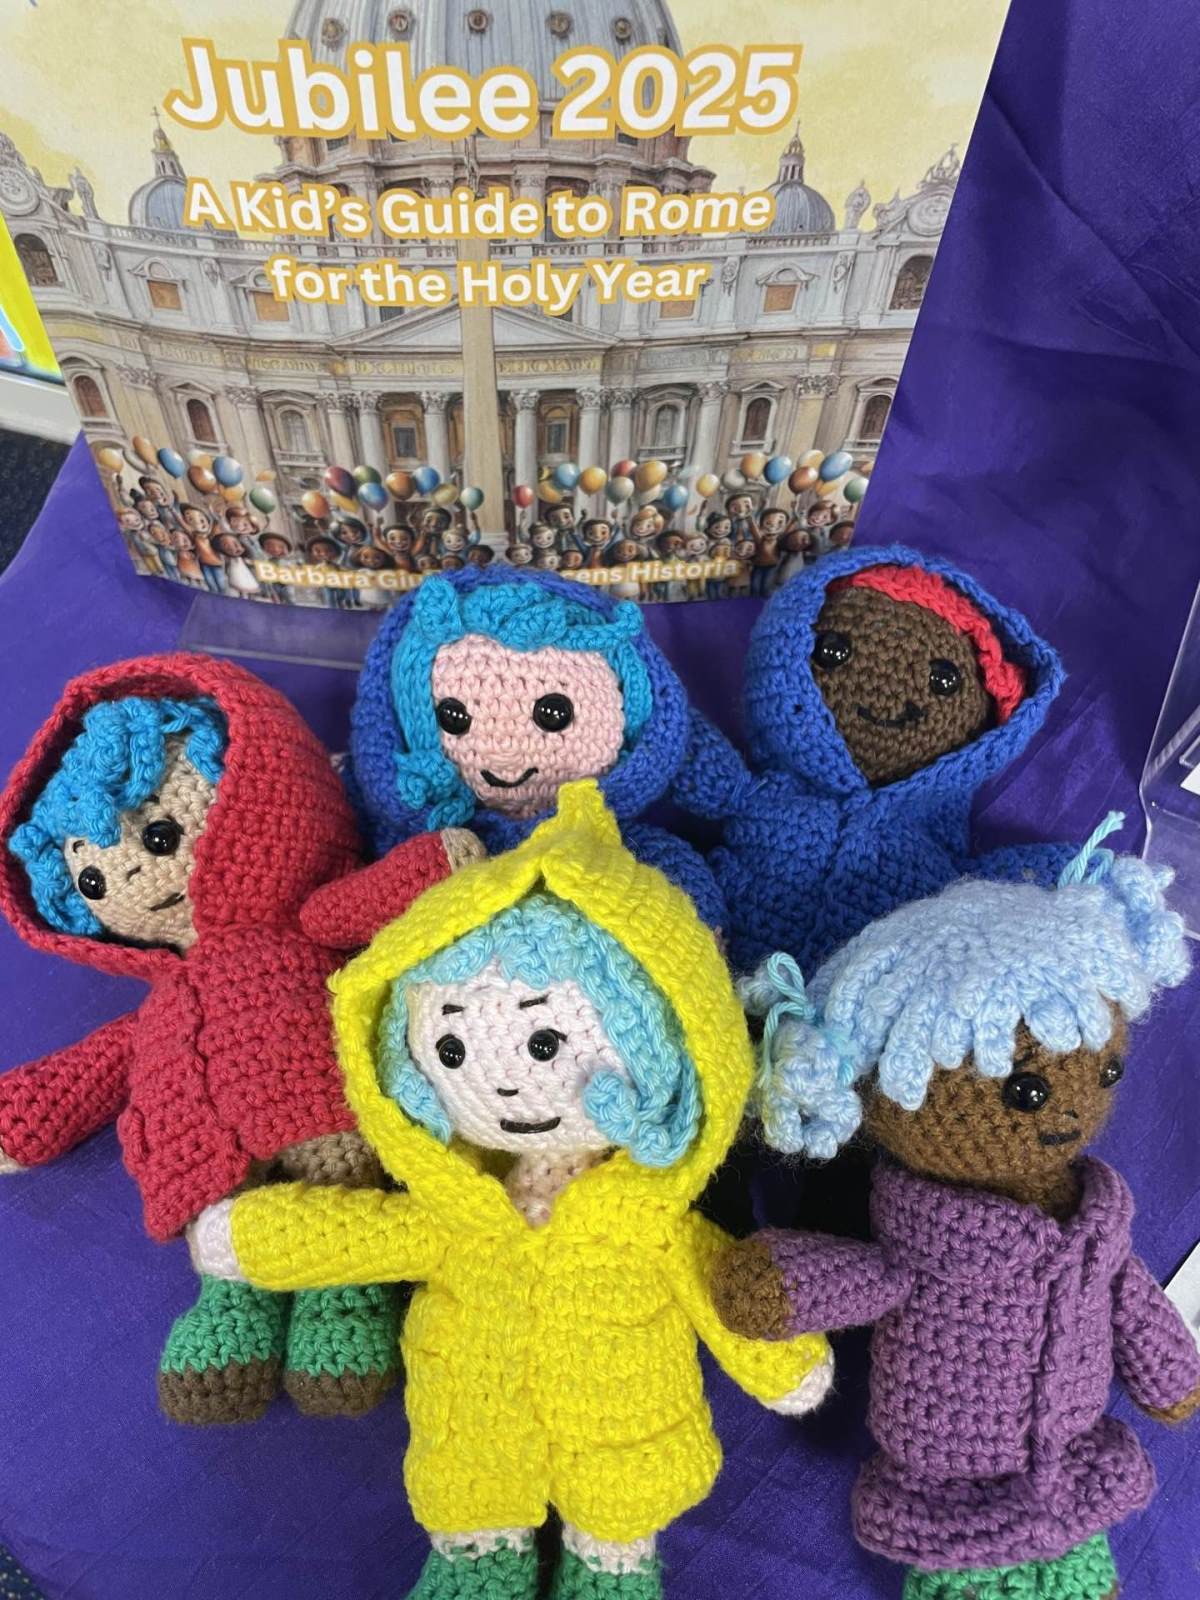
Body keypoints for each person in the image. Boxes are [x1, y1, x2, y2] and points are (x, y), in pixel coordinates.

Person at [185, 786, 830, 1600]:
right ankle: (479, 1559)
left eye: (545, 1041)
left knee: (620, 1505)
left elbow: (715, 1281)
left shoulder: (649, 1220)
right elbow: (361, 1232)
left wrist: (780, 1362)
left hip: (623, 1427)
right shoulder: (458, 1210)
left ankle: (611, 1565)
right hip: (474, 1426)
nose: (505, 1081)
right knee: (472, 1482)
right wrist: (256, 1237)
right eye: (451, 1049)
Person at [715, 847, 1199, 1600]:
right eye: (1028, 1092)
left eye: (1104, 1073)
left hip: (1071, 1465)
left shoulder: (1093, 1229)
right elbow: (865, 1278)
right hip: (946, 1478)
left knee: (1086, 1578)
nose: (1075, 1110)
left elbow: (1128, 1298)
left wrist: (1169, 1373)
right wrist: (777, 1281)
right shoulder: (929, 1248)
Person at [213, 531, 261, 600]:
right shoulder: (228, 561)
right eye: (227, 547)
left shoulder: (246, 558)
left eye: (235, 543)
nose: (233, 547)